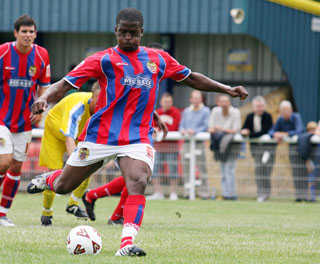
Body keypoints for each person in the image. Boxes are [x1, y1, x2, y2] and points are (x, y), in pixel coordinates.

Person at [27, 8, 247, 257]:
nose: (128, 38)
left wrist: (226, 89)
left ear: (141, 33)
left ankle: (126, 243)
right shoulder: (103, 59)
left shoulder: (158, 59)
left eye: (133, 33)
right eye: (123, 33)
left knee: (138, 180)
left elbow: (191, 78)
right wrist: (45, 98)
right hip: (100, 136)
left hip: (137, 137)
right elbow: (66, 83)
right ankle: (49, 179)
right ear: (116, 32)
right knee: (64, 185)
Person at [0, 15, 51, 227]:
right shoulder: (3, 52)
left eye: (31, 32)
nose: (28, 35)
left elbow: (44, 86)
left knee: (16, 166)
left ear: (35, 34)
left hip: (25, 122)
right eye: (24, 32)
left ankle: (2, 214)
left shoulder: (41, 55)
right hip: (2, 119)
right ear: (15, 33)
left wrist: (41, 107)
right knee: (4, 161)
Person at [39, 82, 101, 226]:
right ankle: (46, 213)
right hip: (55, 132)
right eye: (99, 99)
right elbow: (69, 138)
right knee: (53, 173)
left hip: (77, 135)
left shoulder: (105, 109)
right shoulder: (77, 106)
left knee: (88, 167)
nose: (102, 103)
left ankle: (72, 204)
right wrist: (75, 166)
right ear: (92, 97)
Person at [268, 100, 306, 202]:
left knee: (303, 171)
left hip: (303, 147)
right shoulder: (280, 119)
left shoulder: (296, 117)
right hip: (292, 149)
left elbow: (300, 130)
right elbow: (271, 131)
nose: (285, 112)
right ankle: (299, 196)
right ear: (280, 111)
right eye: (283, 110)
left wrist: (285, 134)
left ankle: (306, 195)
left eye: (287, 110)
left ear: (291, 110)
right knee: (295, 171)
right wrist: (275, 134)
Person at [147, 93, 181, 200]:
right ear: (161, 102)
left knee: (173, 169)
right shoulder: (157, 113)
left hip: (172, 146)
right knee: (155, 169)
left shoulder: (176, 112)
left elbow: (175, 127)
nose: (167, 104)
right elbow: (152, 126)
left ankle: (173, 192)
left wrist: (160, 131)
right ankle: (157, 192)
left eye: (169, 101)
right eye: (165, 101)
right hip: (158, 146)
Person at [240, 96, 275, 202]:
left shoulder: (268, 116)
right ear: (253, 107)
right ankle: (261, 193)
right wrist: (245, 132)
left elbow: (265, 131)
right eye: (257, 106)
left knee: (266, 170)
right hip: (255, 149)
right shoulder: (250, 116)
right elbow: (244, 129)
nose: (260, 108)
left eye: (261, 106)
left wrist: (250, 134)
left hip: (268, 149)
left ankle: (266, 193)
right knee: (258, 170)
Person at [179, 90, 211, 199]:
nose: (196, 100)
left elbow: (206, 125)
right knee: (186, 168)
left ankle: (204, 193)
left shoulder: (206, 111)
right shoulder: (186, 111)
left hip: (199, 143)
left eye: (198, 98)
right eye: (194, 98)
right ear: (190, 99)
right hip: (187, 143)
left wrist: (195, 131)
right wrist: (183, 130)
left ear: (201, 99)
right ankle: (187, 192)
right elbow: (181, 125)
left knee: (202, 168)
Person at [208, 95, 241, 200]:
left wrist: (221, 129)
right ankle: (226, 194)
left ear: (229, 103)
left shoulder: (235, 112)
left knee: (230, 170)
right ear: (218, 103)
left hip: (232, 145)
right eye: (222, 102)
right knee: (223, 170)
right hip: (219, 145)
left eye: (226, 102)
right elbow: (211, 128)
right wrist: (222, 130)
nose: (224, 104)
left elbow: (236, 129)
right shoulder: (215, 111)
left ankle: (232, 194)